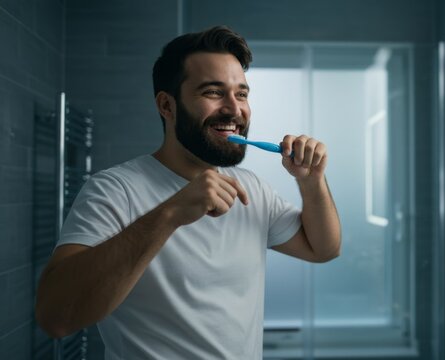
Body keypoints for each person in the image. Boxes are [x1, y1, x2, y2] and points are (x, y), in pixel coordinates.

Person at [35, 26, 341, 359]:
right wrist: (170, 213)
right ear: (167, 105)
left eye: (241, 94)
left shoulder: (252, 188)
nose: (234, 109)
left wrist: (311, 182)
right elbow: (56, 318)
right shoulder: (113, 191)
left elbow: (322, 248)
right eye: (213, 92)